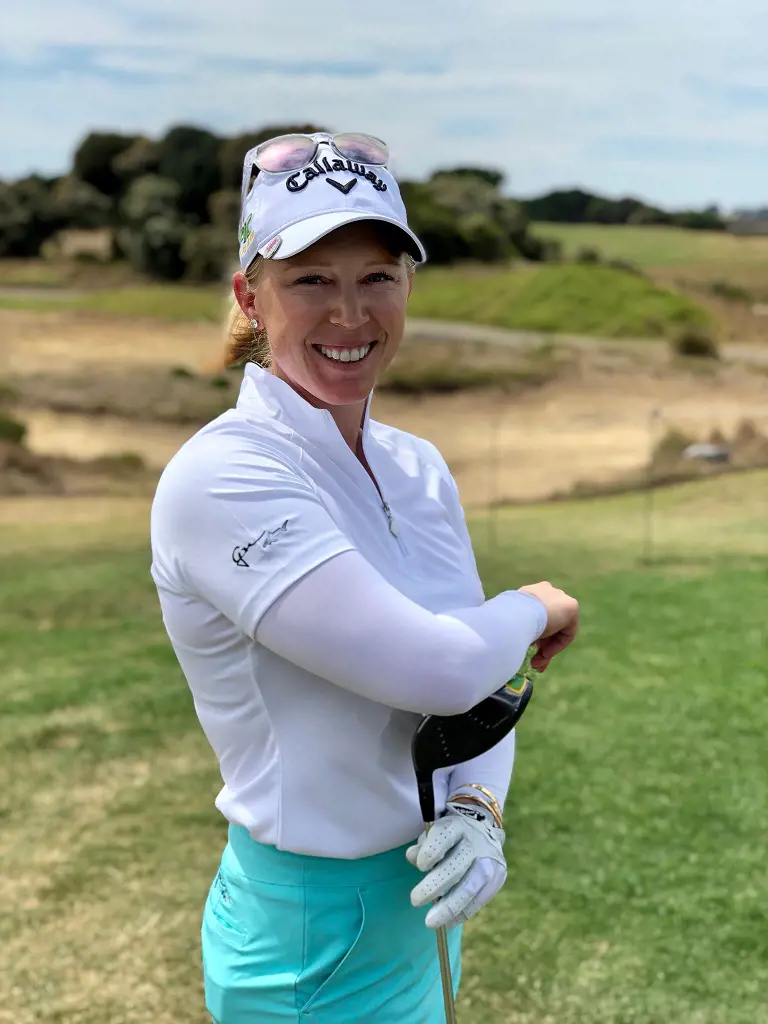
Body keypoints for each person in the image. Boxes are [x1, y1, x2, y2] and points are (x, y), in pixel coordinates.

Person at [150, 131, 579, 1024]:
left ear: (407, 289)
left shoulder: (417, 465)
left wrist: (477, 806)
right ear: (251, 295)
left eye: (377, 277)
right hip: (307, 932)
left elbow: (476, 685)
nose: (350, 314)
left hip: (421, 904)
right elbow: (438, 667)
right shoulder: (221, 476)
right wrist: (536, 606)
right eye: (311, 280)